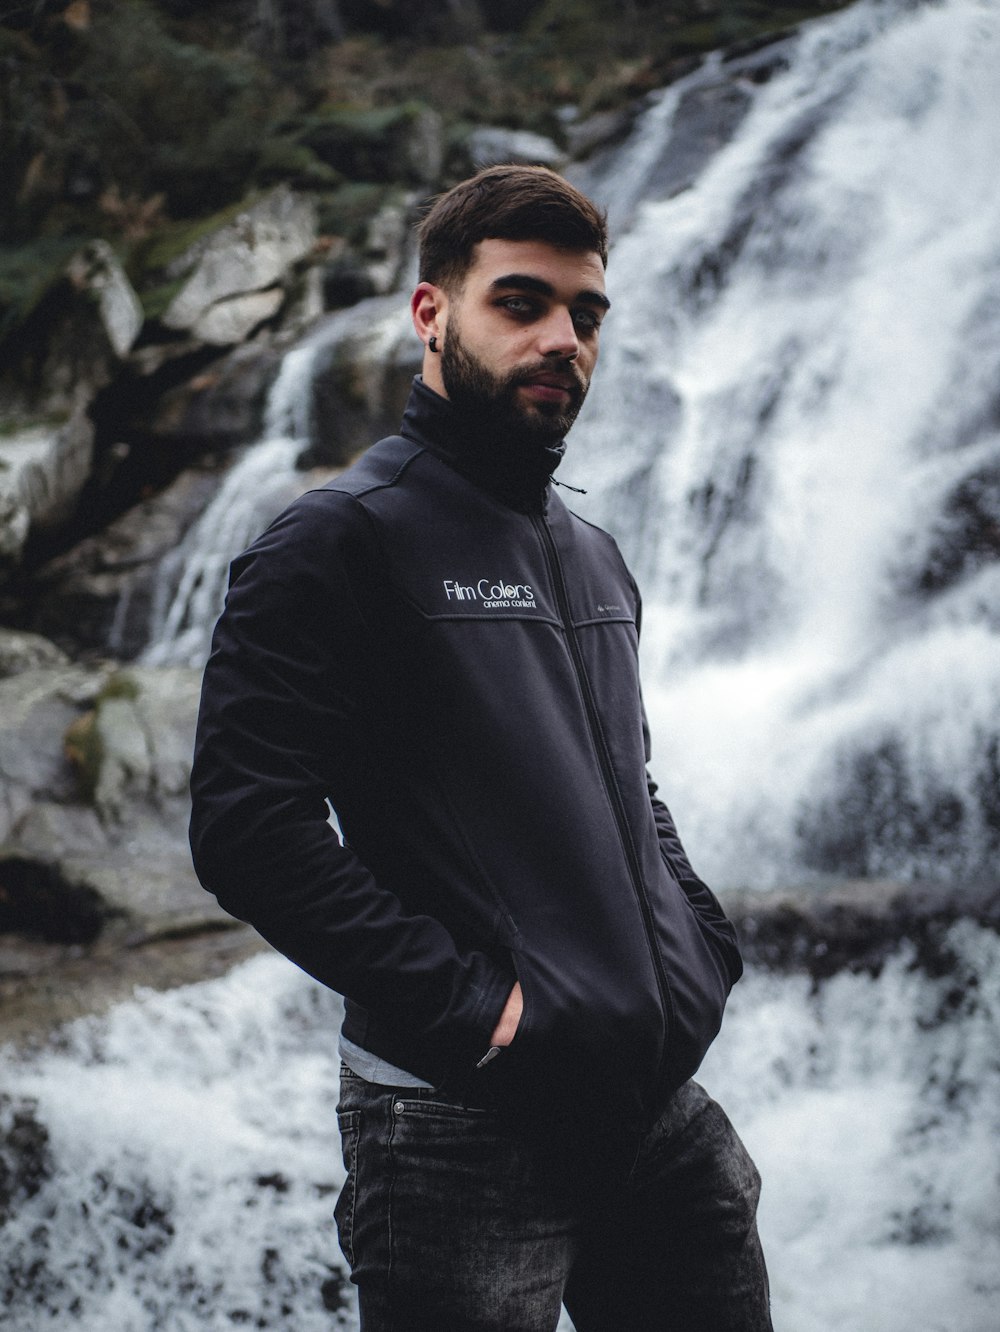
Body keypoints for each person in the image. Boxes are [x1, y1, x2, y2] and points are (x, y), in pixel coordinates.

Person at [189, 164, 772, 1331]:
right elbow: (247, 829)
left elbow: (626, 784)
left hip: (652, 1108)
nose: (562, 339)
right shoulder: (335, 541)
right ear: (430, 313)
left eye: (585, 314)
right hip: (459, 1124)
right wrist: (472, 1012)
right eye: (520, 303)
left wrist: (696, 946)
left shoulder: (591, 550)